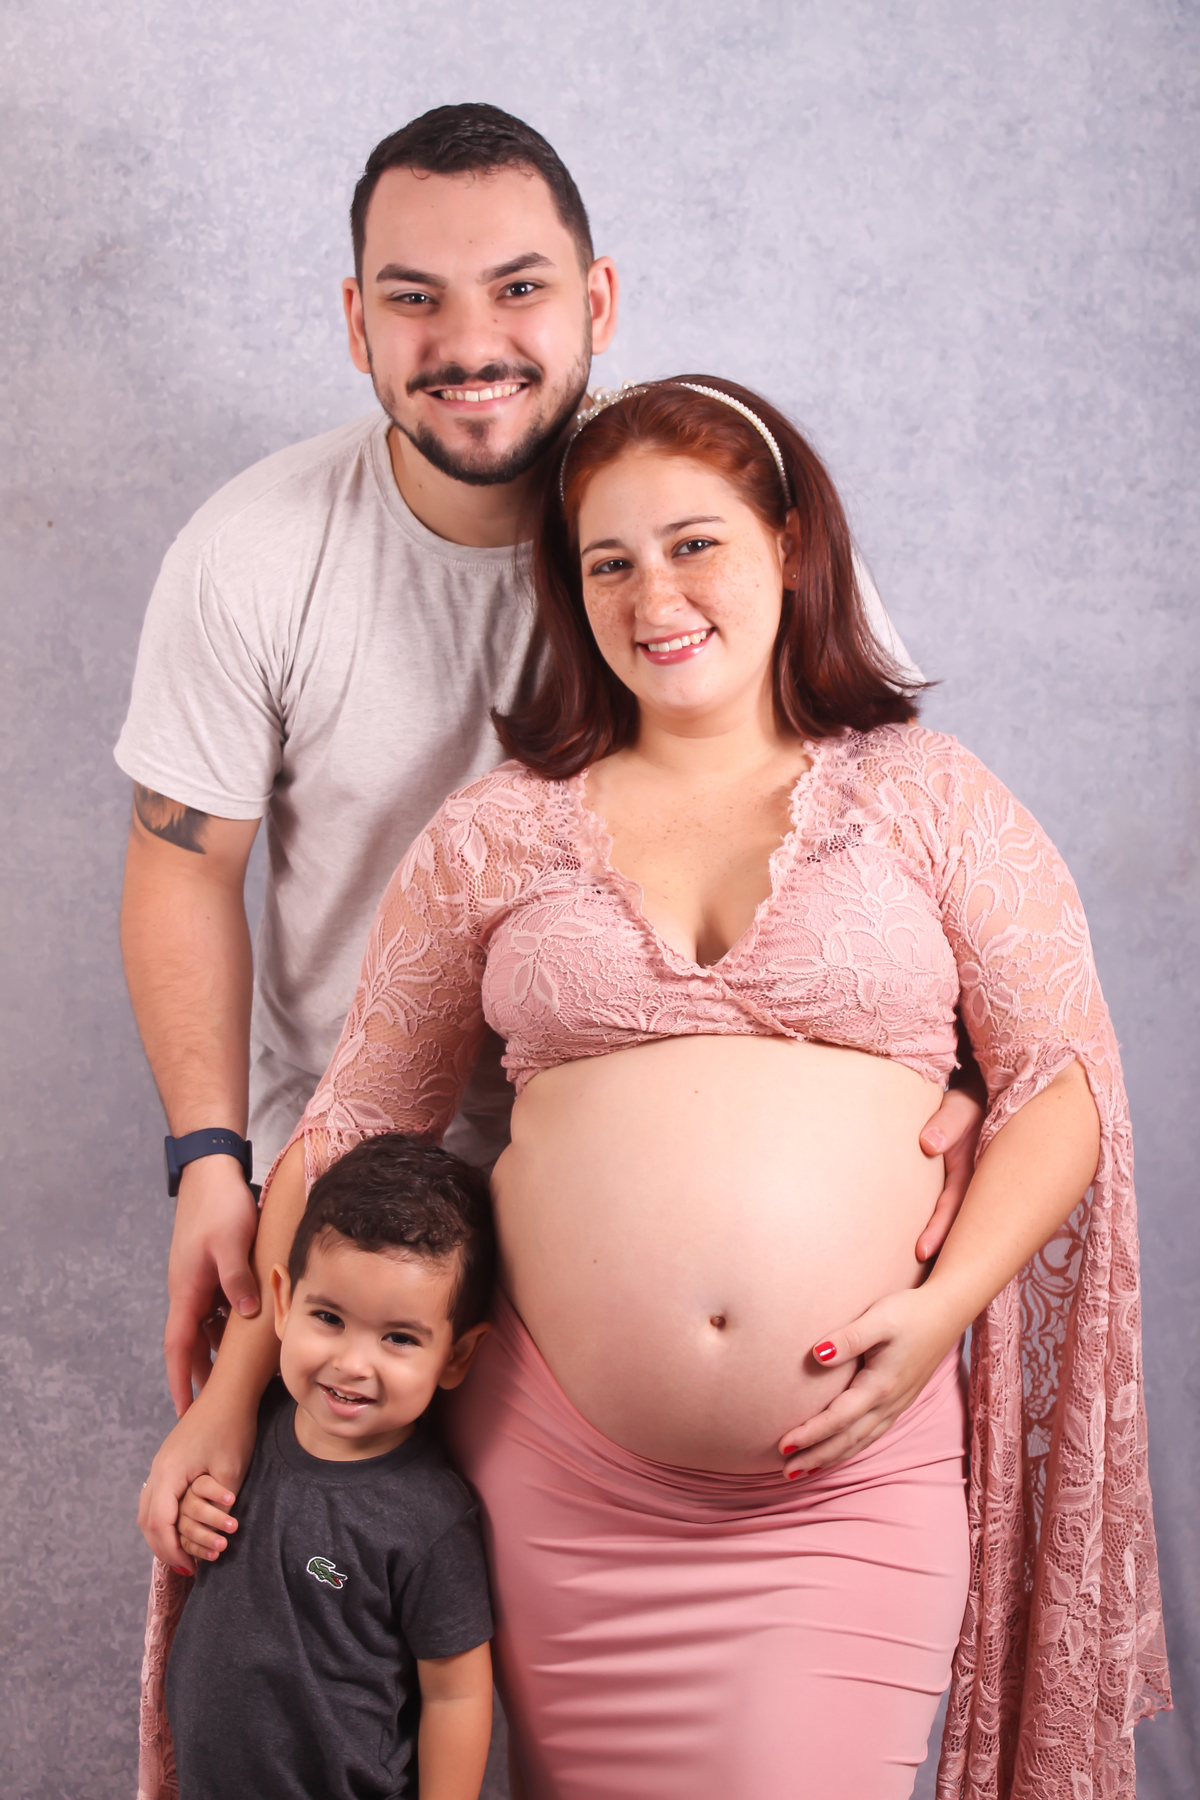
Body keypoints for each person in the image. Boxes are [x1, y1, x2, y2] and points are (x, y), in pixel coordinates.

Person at [142, 378, 1167, 1798]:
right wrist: (228, 1400)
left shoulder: (930, 796)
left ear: (789, 547)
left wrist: (942, 1309)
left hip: (842, 1482)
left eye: (695, 545)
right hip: (560, 1475)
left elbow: (1063, 1078)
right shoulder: (498, 830)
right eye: (609, 563)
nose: (653, 596)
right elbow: (358, 1123)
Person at [115, 103, 984, 1423]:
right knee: (304, 1551)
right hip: (365, 1222)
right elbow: (183, 865)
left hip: (676, 1209)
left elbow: (892, 822)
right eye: (415, 298)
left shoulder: (717, 516)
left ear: (599, 301)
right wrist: (206, 1159)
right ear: (356, 321)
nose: (471, 344)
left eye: (519, 289)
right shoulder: (253, 555)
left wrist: (958, 1076)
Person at [164, 1133, 496, 1800]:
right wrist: (192, 1517)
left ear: (456, 1357)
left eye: (398, 1337)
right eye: (329, 1318)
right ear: (284, 1302)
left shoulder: (431, 1519)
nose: (352, 1363)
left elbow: (457, 1694)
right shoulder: (248, 1430)